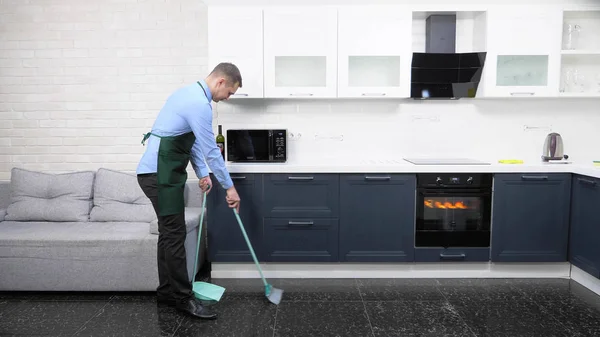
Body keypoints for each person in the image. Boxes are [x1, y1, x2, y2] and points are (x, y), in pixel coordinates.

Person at [136, 63, 242, 320]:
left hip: (159, 173)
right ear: (220, 82)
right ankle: (184, 299)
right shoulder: (199, 104)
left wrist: (203, 174)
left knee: (168, 235)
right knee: (175, 235)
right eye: (230, 92)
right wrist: (230, 188)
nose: (227, 98)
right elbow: (211, 152)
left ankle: (166, 293)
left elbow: (189, 140)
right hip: (159, 175)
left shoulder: (186, 94)